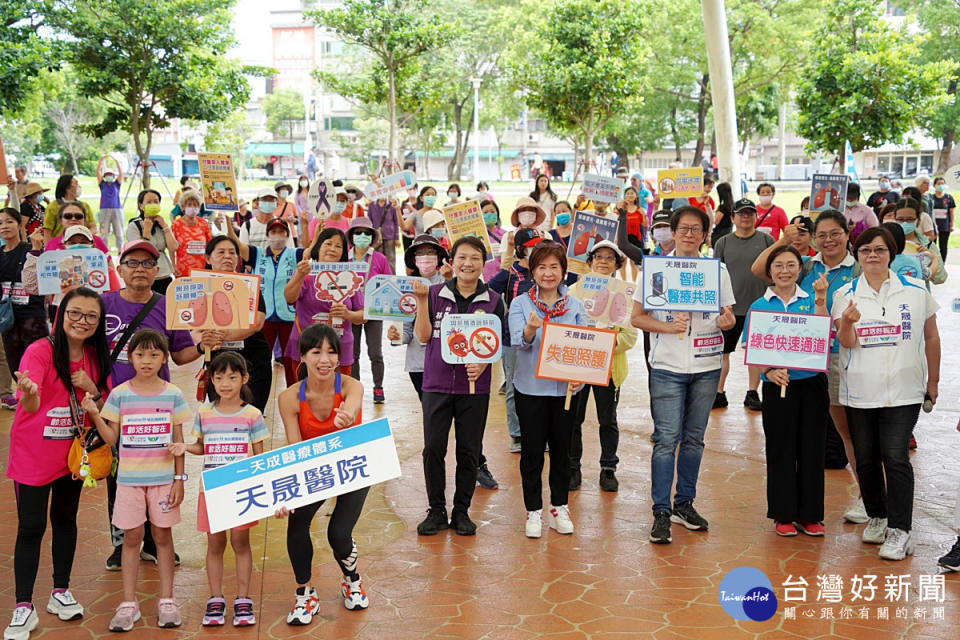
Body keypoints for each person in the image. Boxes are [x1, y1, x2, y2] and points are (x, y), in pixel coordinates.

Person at [3, 287, 110, 640]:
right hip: (34, 454)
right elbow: (29, 405)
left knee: (65, 520)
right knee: (31, 527)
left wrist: (90, 385)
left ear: (99, 322)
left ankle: (60, 592)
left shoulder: (96, 356)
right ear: (60, 314)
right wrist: (31, 393)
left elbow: (104, 401)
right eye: (75, 313)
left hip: (73, 455)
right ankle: (22, 606)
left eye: (90, 316)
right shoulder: (39, 351)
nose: (82, 321)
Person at [750, 210, 867, 523]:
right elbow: (762, 269)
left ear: (848, 233)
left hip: (847, 355)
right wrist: (786, 239)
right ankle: (785, 513)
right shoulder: (806, 266)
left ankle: (867, 498)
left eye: (835, 233)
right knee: (790, 444)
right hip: (798, 367)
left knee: (850, 433)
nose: (828, 240)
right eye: (822, 234)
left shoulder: (858, 267)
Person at [630, 205, 737, 544]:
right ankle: (660, 511)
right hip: (667, 368)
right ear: (672, 232)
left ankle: (684, 503)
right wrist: (666, 325)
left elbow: (728, 315)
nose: (689, 234)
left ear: (706, 235)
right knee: (665, 441)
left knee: (694, 439)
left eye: (696, 229)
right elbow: (637, 318)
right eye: (684, 228)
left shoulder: (716, 271)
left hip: (707, 366)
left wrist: (727, 322)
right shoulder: (657, 271)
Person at [833, 226, 940, 560]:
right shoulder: (845, 293)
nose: (873, 256)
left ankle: (900, 530)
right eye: (865, 251)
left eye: (879, 249)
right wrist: (847, 323)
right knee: (865, 457)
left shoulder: (915, 289)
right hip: (860, 388)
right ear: (858, 255)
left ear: (891, 253)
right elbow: (845, 342)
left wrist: (932, 382)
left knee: (894, 455)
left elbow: (932, 337)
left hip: (904, 388)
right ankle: (877, 515)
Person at [99, 239, 202, 573]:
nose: (139, 269)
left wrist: (203, 344)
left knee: (158, 472)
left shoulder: (165, 306)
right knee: (119, 476)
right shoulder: (103, 304)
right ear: (119, 268)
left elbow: (181, 354)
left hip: (158, 408)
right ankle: (121, 542)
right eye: (132, 262)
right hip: (116, 404)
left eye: (147, 263)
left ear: (157, 270)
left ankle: (154, 542)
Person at [84, 329, 192, 631]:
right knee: (131, 539)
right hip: (129, 482)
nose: (147, 361)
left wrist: (179, 479)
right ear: (130, 357)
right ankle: (128, 603)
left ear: (163, 358)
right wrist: (95, 415)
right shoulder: (120, 395)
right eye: (140, 354)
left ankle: (167, 600)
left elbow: (179, 441)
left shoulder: (173, 394)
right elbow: (111, 439)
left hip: (162, 482)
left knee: (162, 538)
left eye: (154, 355)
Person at [275, 323, 370, 623]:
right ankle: (305, 593)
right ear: (302, 356)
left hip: (351, 466)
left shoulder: (352, 386)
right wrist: (284, 496)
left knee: (338, 534)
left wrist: (347, 415)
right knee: (296, 524)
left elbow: (352, 406)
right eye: (316, 352)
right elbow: (294, 450)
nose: (324, 359)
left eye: (331, 352)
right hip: (314, 469)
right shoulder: (289, 398)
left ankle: (351, 579)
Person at [412, 236, 505, 536]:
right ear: (451, 261)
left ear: (483, 263)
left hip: (474, 389)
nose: (468, 263)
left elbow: (496, 344)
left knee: (468, 450)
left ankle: (461, 510)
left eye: (475, 258)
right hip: (436, 385)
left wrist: (484, 362)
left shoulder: (493, 300)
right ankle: (436, 510)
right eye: (462, 257)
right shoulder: (435, 293)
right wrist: (423, 302)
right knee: (433, 449)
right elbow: (424, 337)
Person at [168, 352, 267, 627]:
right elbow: (202, 446)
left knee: (240, 542)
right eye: (219, 377)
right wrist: (185, 447)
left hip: (242, 490)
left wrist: (261, 487)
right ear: (211, 379)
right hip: (211, 490)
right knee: (215, 544)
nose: (225, 383)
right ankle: (215, 598)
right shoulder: (205, 413)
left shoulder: (252, 415)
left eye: (232, 377)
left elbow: (259, 457)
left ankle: (243, 598)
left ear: (244, 378)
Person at [744, 246, 830, 536]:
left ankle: (811, 515)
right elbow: (751, 347)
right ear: (769, 272)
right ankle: (783, 513)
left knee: (812, 448)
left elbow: (822, 336)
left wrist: (820, 300)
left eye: (791, 265)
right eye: (778, 265)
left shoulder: (811, 300)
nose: (785, 270)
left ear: (800, 269)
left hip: (811, 383)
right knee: (781, 448)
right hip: (776, 385)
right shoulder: (759, 306)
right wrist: (768, 370)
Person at [509, 241, 585, 537]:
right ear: (532, 271)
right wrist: (530, 329)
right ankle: (533, 512)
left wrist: (580, 377)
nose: (548, 273)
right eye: (541, 267)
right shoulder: (520, 304)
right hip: (530, 388)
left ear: (564, 271)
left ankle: (559, 507)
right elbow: (518, 342)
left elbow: (585, 347)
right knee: (532, 453)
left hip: (566, 392)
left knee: (563, 451)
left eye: (554, 267)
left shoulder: (575, 306)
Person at [567, 241, 637, 492]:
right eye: (598, 257)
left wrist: (603, 345)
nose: (603, 261)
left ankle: (608, 468)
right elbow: (565, 327)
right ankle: (573, 467)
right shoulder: (574, 290)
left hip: (609, 367)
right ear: (590, 261)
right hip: (580, 366)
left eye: (610, 257)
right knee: (574, 419)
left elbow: (629, 337)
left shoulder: (626, 294)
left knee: (608, 419)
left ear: (618, 264)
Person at [712, 199, 774, 411]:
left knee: (755, 352)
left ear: (756, 216)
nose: (745, 217)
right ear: (733, 218)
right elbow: (715, 275)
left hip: (760, 307)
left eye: (750, 213)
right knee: (723, 351)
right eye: (741, 213)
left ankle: (752, 392)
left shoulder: (767, 240)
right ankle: (718, 393)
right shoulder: (723, 242)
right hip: (730, 308)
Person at [227, 218, 303, 387]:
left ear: (287, 235)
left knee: (292, 360)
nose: (277, 236)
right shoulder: (256, 254)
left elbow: (312, 251)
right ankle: (256, 394)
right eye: (273, 232)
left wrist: (312, 226)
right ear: (267, 235)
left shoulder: (294, 254)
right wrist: (227, 222)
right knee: (260, 359)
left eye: (281, 232)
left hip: (288, 315)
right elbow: (237, 244)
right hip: (262, 316)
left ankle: (295, 394)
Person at [199, 236, 271, 412]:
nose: (228, 257)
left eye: (232, 253)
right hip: (217, 361)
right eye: (221, 252)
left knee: (252, 413)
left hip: (253, 359)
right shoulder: (198, 286)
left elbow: (257, 322)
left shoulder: (248, 284)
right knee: (221, 414)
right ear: (208, 258)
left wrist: (225, 336)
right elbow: (192, 325)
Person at [488, 229, 543, 454]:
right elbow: (487, 293)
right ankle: (518, 435)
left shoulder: (546, 271)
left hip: (544, 339)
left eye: (539, 245)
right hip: (512, 340)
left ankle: (540, 434)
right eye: (531, 245)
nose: (536, 250)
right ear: (521, 249)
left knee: (542, 386)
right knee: (513, 387)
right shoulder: (509, 275)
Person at [284, 228, 365, 378]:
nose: (332, 249)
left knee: (337, 396)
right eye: (328, 243)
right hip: (306, 347)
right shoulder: (306, 273)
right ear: (318, 247)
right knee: (304, 395)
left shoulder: (350, 276)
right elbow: (289, 298)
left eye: (338, 246)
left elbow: (363, 315)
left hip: (339, 348)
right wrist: (299, 275)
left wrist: (348, 314)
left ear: (343, 253)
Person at [386, 235, 449, 397]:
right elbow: (405, 332)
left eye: (430, 252)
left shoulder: (450, 281)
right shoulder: (405, 287)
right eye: (420, 253)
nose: (425, 257)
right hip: (418, 363)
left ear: (439, 257)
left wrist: (450, 281)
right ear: (414, 260)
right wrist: (396, 335)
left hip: (446, 361)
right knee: (429, 410)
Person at [0, 208, 49, 383]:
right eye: (0, 223)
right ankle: (25, 404)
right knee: (16, 366)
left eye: (9, 221)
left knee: (38, 362)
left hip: (32, 317)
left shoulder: (32, 249)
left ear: (19, 225)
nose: (4, 226)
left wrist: (36, 250)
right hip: (8, 318)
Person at [347, 217, 389, 403]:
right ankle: (355, 387)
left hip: (374, 312)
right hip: (350, 312)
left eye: (366, 233)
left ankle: (378, 387)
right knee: (352, 353)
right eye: (358, 232)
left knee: (375, 352)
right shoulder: (344, 258)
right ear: (351, 236)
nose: (362, 236)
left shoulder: (380, 259)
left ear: (372, 236)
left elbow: (389, 284)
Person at [125, 190, 177, 294]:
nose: (153, 204)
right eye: (149, 202)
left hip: (164, 274)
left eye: (156, 202)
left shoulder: (161, 224)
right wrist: (146, 232)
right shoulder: (134, 226)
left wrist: (165, 227)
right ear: (141, 206)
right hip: (145, 276)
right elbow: (139, 250)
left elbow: (173, 247)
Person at [169, 190, 212, 277]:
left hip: (202, 270)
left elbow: (209, 245)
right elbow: (171, 249)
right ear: (183, 207)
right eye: (189, 205)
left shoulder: (203, 223)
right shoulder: (176, 225)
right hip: (182, 270)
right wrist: (173, 266)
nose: (193, 207)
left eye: (195, 205)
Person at [42, 175, 95, 244]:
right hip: (59, 247)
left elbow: (93, 227)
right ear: (68, 188)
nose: (79, 186)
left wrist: (83, 235)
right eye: (76, 183)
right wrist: (48, 250)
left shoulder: (85, 206)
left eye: (79, 216)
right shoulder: (53, 207)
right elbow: (47, 232)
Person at [618, 186, 647, 281]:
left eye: (632, 193)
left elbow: (645, 225)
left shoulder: (640, 210)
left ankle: (634, 283)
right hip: (623, 239)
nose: (629, 195)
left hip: (635, 239)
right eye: (627, 193)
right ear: (624, 196)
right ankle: (624, 282)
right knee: (623, 262)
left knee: (633, 262)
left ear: (636, 196)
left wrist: (644, 215)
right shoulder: (620, 209)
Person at [97, 156, 125, 253]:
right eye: (107, 174)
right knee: (104, 231)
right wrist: (101, 161)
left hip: (117, 209)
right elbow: (97, 173)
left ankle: (120, 249)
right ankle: (104, 250)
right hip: (104, 209)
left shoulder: (116, 184)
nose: (109, 176)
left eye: (111, 174)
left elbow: (121, 173)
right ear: (105, 176)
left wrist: (116, 161)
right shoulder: (102, 185)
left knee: (119, 230)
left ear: (113, 176)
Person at [367, 195, 399, 274]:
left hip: (389, 236)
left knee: (390, 259)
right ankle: (379, 278)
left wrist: (397, 237)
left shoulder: (391, 205)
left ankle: (392, 278)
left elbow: (396, 222)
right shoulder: (372, 205)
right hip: (377, 237)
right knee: (378, 259)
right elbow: (369, 221)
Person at [481, 199, 506, 283]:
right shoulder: (477, 235)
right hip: (482, 280)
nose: (489, 214)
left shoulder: (505, 235)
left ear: (497, 214)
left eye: (492, 211)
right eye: (485, 212)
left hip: (501, 280)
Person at [931, 177, 955, 262]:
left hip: (945, 226)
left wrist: (952, 225)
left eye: (942, 183)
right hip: (933, 226)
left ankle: (942, 264)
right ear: (934, 185)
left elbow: (951, 212)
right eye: (938, 184)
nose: (941, 185)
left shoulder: (948, 197)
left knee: (943, 246)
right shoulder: (931, 198)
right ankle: (933, 263)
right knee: (932, 246)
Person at [274, 181, 300, 247]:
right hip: (278, 235)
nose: (285, 191)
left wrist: (293, 220)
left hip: (292, 234)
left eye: (286, 190)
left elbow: (297, 221)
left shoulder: (291, 205)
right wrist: (281, 219)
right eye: (283, 189)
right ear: (277, 192)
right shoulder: (273, 206)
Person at [710, 182, 734, 247]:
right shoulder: (733, 205)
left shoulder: (723, 207)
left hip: (719, 235)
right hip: (729, 232)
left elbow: (716, 221)